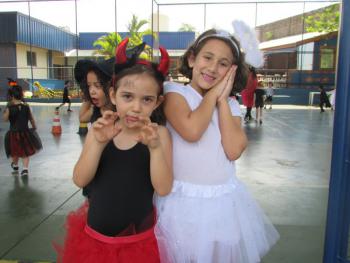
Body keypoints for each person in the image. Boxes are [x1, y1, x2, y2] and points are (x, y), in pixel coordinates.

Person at [154, 28, 279, 263]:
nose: (212, 68)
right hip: (181, 203)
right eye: (207, 58)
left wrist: (222, 100)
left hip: (221, 203)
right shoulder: (174, 93)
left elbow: (233, 149)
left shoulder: (229, 105)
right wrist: (213, 95)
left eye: (223, 64)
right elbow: (191, 131)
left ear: (232, 71)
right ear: (192, 59)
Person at [55, 38, 173, 263]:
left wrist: (155, 149)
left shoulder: (160, 135)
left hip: (139, 243)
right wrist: (98, 144)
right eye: (127, 96)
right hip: (93, 241)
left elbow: (164, 188)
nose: (136, 107)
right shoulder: (100, 130)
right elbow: (80, 179)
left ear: (157, 103)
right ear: (113, 95)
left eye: (146, 99)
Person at [3, 85, 42, 176]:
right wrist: (34, 126)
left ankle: (15, 165)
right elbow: (31, 119)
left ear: (12, 96)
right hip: (25, 133)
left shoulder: (10, 107)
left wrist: (7, 110)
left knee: (14, 151)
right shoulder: (26, 106)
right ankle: (25, 169)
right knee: (25, 152)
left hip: (13, 134)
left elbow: (5, 119)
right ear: (21, 95)